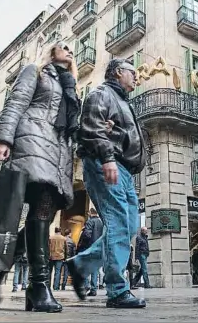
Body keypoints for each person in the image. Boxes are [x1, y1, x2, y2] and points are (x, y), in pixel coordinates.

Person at [0, 41, 80, 313]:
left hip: (59, 152)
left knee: (42, 215)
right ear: (52, 52)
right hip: (34, 141)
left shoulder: (70, 87)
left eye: (72, 49)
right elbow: (15, 103)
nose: (71, 50)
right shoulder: (35, 71)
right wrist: (3, 140)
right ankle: (38, 286)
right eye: (65, 46)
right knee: (40, 210)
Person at [66, 58, 147, 309]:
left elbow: (117, 132)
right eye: (133, 72)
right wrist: (108, 158)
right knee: (119, 223)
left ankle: (80, 265)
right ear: (119, 72)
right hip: (106, 164)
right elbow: (91, 129)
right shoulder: (101, 94)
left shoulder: (121, 100)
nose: (137, 77)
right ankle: (117, 290)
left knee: (130, 225)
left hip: (123, 169)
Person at [76, 208, 103, 296]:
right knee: (94, 269)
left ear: (90, 213)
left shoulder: (90, 222)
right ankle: (94, 289)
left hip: (90, 247)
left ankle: (86, 285)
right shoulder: (101, 222)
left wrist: (83, 245)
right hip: (98, 248)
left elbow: (87, 235)